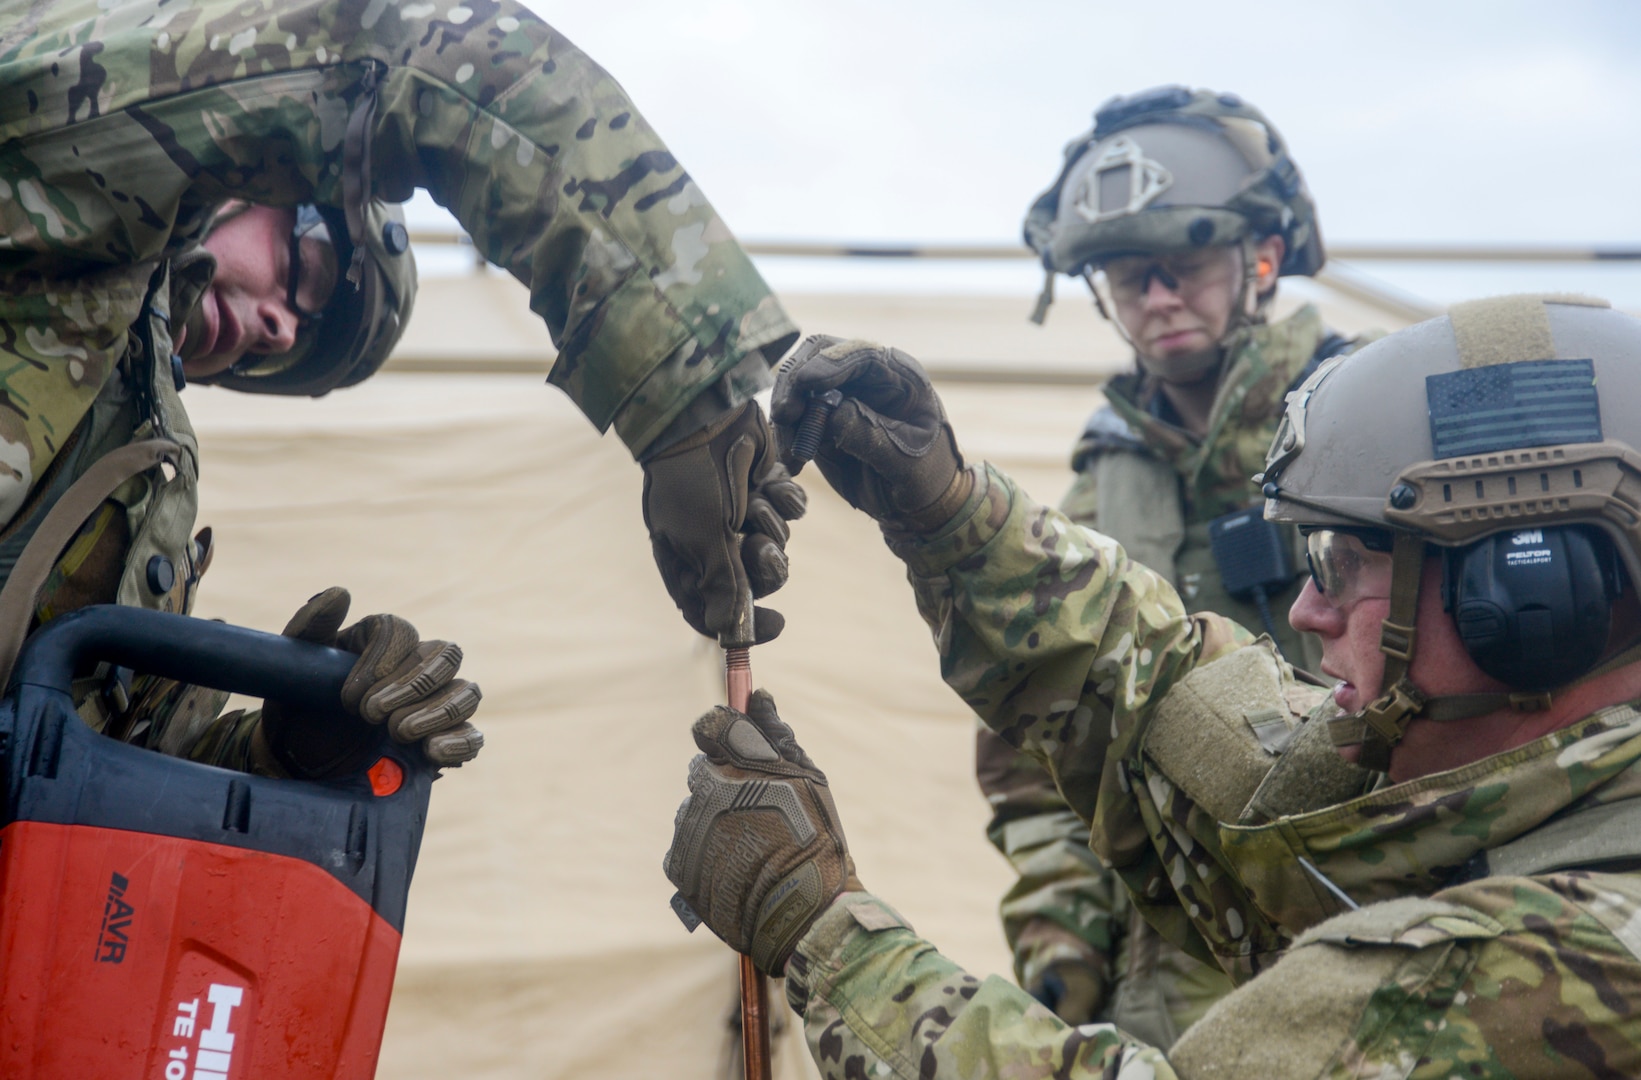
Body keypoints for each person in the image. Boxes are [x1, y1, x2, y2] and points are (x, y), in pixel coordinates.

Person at [667, 296, 1641, 1077]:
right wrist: (948, 513)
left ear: (1529, 603)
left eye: (1345, 567)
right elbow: (1179, 712)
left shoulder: (1541, 966)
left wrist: (828, 939)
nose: (1305, 611)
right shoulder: (1510, 790)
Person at [1, 0, 805, 771]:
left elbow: (69, 754)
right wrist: (686, 394)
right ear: (261, 176)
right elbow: (419, 52)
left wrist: (289, 746)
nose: (280, 329)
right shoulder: (55, 145)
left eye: (292, 350)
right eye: (301, 272)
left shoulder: (126, 456)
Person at [978, 85, 1375, 1041]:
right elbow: (1035, 748)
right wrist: (1058, 931)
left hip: (1360, 943)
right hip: (1156, 982)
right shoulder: (1099, 489)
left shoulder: (1374, 425)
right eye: (1125, 276)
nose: (1157, 298)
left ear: (1261, 258)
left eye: (1182, 264)